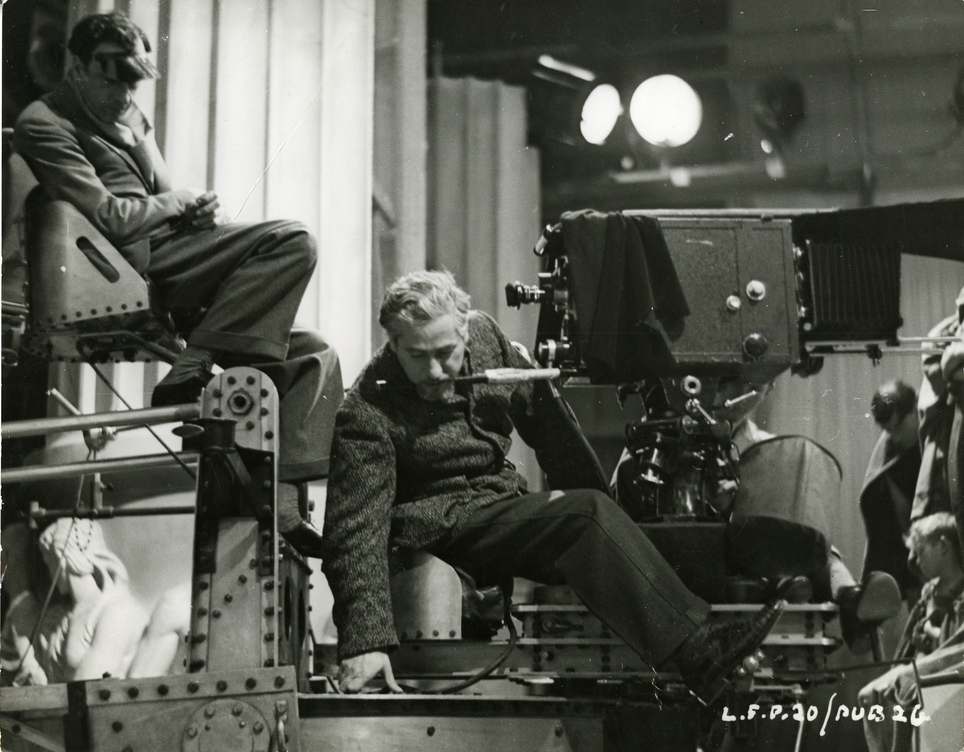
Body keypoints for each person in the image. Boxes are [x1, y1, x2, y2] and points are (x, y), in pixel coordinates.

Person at [321, 269, 784, 703]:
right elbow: (353, 536)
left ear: (464, 331)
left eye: (446, 352)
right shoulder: (367, 409)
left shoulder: (486, 337)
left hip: (497, 507)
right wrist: (365, 641)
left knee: (601, 516)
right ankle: (701, 653)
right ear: (393, 344)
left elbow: (551, 430)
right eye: (416, 356)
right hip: (437, 527)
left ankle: (709, 651)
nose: (437, 370)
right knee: (583, 516)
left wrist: (606, 511)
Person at [12, 12, 341, 557]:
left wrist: (193, 208)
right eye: (112, 75)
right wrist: (175, 203)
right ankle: (199, 364)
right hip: (134, 264)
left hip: (175, 253)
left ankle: (284, 495)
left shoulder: (131, 117)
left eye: (134, 79)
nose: (124, 91)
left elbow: (166, 195)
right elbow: (111, 216)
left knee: (316, 358)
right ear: (75, 64)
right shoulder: (44, 121)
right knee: (292, 240)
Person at [612, 376, 901, 649]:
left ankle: (849, 598)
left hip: (754, 560)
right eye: (730, 383)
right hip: (682, 569)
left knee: (806, 533)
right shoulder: (650, 448)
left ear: (770, 387)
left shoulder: (769, 449)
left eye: (753, 385)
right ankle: (794, 587)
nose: (737, 394)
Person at [858, 513, 964, 752]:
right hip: (924, 666)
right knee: (868, 696)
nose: (914, 560)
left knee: (902, 690)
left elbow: (954, 646)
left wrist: (930, 631)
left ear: (944, 546)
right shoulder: (930, 592)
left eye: (921, 550)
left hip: (947, 671)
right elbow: (909, 644)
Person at [0, 518, 146, 684]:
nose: (49, 572)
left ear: (63, 559)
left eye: (49, 562)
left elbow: (91, 688)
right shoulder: (60, 618)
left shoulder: (117, 612)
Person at [860, 380, 923, 604]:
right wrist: (912, 580)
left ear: (916, 408)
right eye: (888, 431)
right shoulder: (893, 459)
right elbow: (900, 522)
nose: (893, 437)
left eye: (898, 428)